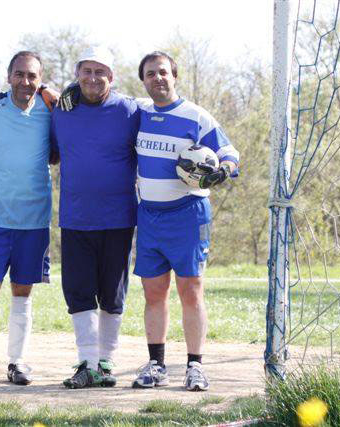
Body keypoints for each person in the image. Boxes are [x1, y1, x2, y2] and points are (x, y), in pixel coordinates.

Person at [130, 51, 239, 391]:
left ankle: (195, 366)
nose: (157, 78)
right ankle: (156, 365)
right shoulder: (138, 113)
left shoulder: (196, 116)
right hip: (149, 216)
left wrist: (223, 171)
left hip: (188, 215)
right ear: (144, 80)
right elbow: (100, 98)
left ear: (174, 76)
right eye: (150, 74)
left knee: (190, 291)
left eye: (163, 72)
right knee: (153, 293)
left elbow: (230, 153)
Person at [0, 51, 57, 386]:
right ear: (8, 76)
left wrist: (56, 98)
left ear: (40, 79)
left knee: (22, 291)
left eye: (32, 76)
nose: (25, 82)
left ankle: (17, 363)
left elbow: (61, 151)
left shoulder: (51, 110)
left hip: (34, 219)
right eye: (19, 75)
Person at [51, 46, 140, 389]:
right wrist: (54, 93)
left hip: (118, 217)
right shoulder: (61, 110)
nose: (92, 78)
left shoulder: (130, 111)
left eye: (99, 71)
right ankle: (86, 361)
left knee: (112, 293)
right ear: (77, 75)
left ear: (112, 77)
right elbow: (53, 151)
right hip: (75, 216)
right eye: (86, 71)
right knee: (78, 291)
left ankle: (105, 362)